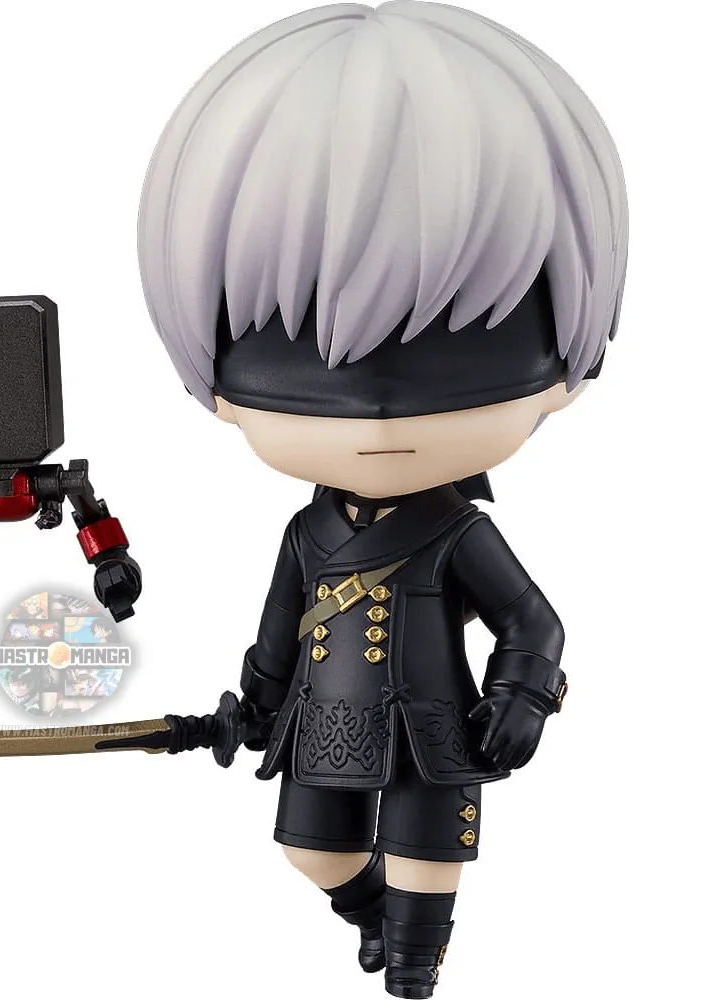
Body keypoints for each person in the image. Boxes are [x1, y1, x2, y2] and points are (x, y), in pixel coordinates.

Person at [136, 4, 626, 997]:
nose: (377, 409)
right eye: (303, 352)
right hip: (327, 721)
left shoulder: (454, 532)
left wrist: (523, 695)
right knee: (311, 852)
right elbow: (279, 628)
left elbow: (531, 620)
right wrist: (253, 708)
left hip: (434, 731)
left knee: (425, 872)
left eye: (463, 345)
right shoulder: (307, 531)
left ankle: (412, 966)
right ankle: (370, 917)